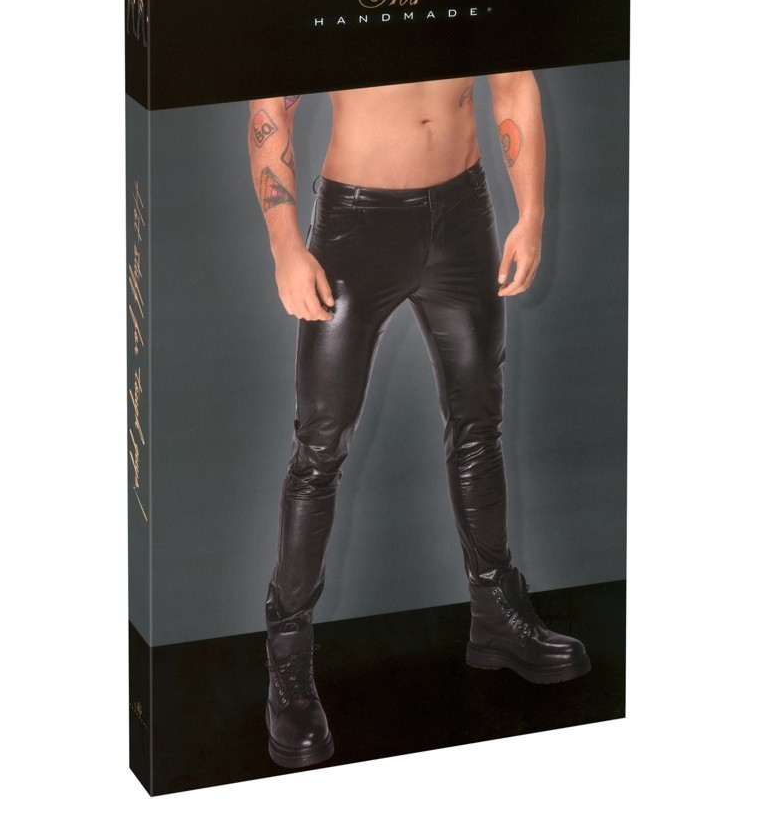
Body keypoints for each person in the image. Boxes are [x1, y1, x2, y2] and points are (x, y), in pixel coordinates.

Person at [247, 73, 590, 770]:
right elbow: (270, 105)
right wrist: (285, 245)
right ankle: (288, 663)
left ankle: (495, 616)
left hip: (462, 211)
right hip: (357, 222)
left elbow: (513, 82)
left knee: (479, 425)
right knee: (319, 449)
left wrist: (531, 213)